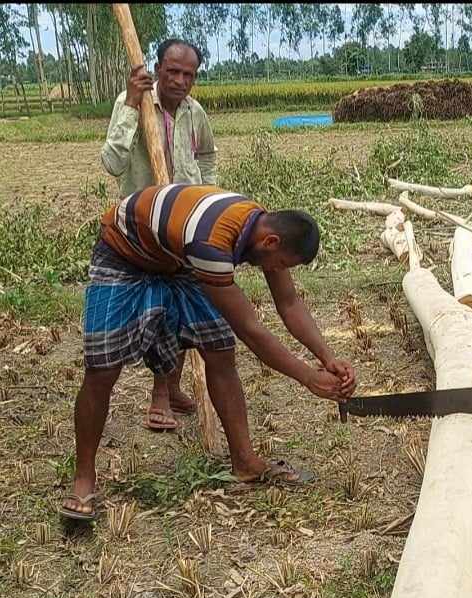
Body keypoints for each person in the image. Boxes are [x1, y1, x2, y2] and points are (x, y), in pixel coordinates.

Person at [59, 184, 357, 521]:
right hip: (125, 256)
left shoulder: (262, 228)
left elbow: (288, 303)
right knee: (102, 368)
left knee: (218, 350)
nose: (275, 270)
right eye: (281, 263)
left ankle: (244, 462)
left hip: (177, 259)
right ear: (270, 243)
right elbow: (251, 330)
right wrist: (308, 378)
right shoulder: (210, 244)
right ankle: (84, 476)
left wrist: (327, 357)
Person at [101, 38, 219, 431]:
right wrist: (133, 106)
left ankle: (170, 389)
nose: (180, 80)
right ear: (157, 68)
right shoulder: (130, 104)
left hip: (184, 224)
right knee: (155, 310)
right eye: (172, 71)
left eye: (189, 74)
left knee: (183, 308)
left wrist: (208, 197)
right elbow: (112, 162)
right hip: (143, 227)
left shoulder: (194, 112)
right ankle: (159, 395)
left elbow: (206, 156)